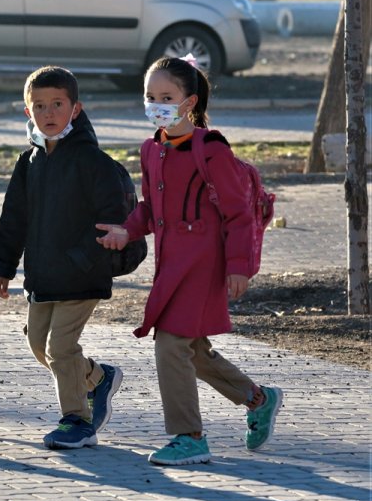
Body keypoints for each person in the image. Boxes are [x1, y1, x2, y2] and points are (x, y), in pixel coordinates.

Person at [95, 55, 283, 466]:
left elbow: (237, 213)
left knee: (171, 343)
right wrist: (127, 230)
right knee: (191, 348)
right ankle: (258, 399)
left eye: (166, 96)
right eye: (150, 96)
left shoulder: (211, 147)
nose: (156, 104)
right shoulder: (151, 148)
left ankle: (189, 437)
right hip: (171, 264)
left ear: (189, 102)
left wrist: (239, 266)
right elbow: (150, 207)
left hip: (206, 263)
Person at [0, 66, 127, 450]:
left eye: (57, 104)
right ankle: (97, 378)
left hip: (83, 274)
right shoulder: (28, 162)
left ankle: (77, 421)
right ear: (27, 112)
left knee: (61, 348)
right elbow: (13, 219)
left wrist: (82, 258)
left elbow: (112, 218)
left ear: (76, 109)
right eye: (39, 105)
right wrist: (3, 267)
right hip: (43, 275)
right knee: (39, 344)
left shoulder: (93, 162)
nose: (48, 113)